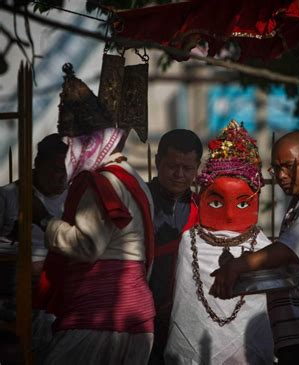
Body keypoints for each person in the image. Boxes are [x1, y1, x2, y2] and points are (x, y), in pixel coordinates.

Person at [33, 64, 155, 364]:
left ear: (84, 143)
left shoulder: (101, 182)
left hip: (99, 318)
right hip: (135, 316)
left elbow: (87, 246)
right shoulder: (131, 176)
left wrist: (45, 221)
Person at [210, 131, 299, 365]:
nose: (282, 176)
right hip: (294, 335)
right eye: (276, 169)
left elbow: (284, 252)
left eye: (289, 166)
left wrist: (238, 265)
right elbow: (287, 268)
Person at [164, 120, 274, 364]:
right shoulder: (188, 241)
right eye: (216, 202)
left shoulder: (265, 247)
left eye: (243, 203)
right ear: (202, 196)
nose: (230, 215)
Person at [147, 129, 202, 364]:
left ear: (197, 167)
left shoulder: (203, 208)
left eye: (187, 168)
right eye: (172, 166)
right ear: (157, 161)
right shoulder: (139, 200)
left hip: (185, 315)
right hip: (143, 313)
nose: (179, 174)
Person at [0, 133, 68, 271]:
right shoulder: (7, 197)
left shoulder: (76, 196)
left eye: (70, 170)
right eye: (58, 170)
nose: (64, 177)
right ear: (38, 164)